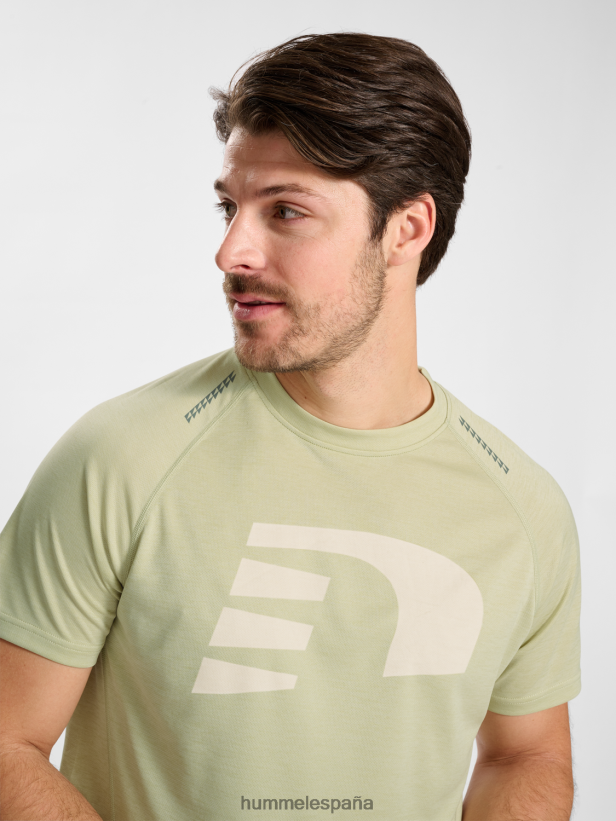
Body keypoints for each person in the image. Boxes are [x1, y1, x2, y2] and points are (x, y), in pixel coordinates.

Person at [0, 32, 581, 821]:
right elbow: (9, 739)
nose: (230, 251)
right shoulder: (122, 459)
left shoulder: (524, 508)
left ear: (407, 228)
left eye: (286, 211)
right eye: (229, 207)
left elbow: (527, 753)